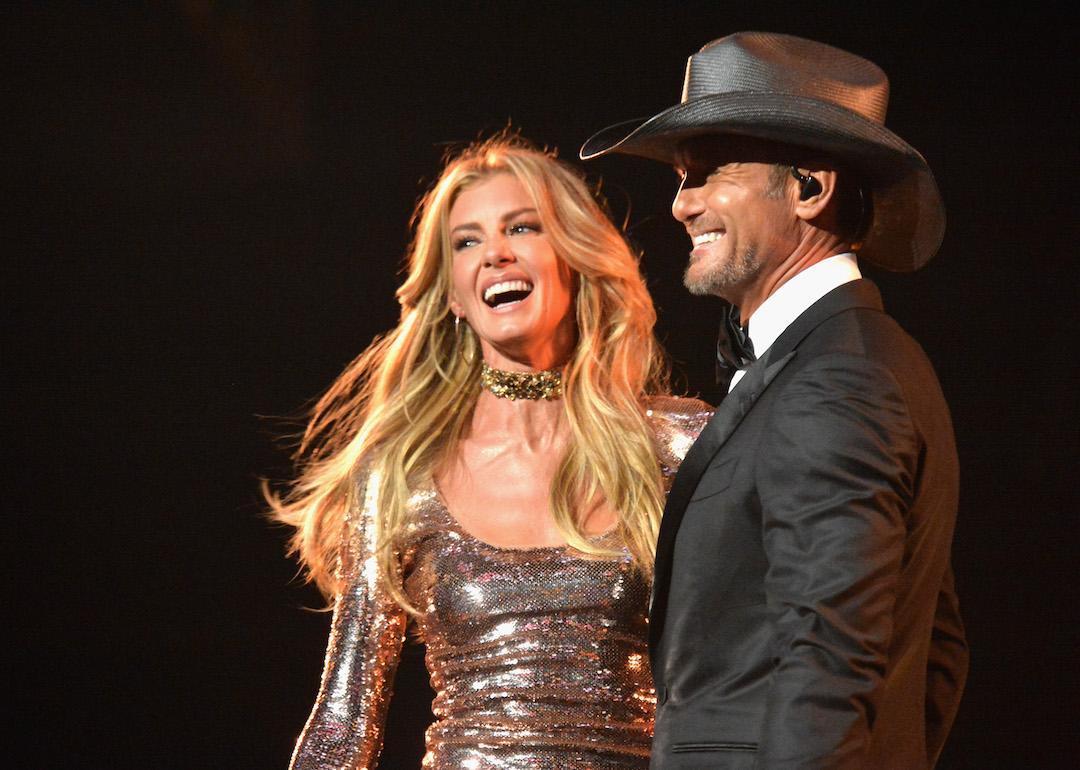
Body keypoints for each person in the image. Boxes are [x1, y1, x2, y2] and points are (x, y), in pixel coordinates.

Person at [580, 32, 968, 769]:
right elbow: (937, 655)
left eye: (708, 172)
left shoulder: (838, 380)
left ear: (811, 187)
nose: (681, 204)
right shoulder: (854, 362)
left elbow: (827, 666)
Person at [266, 135, 711, 769]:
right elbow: (344, 720)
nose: (495, 253)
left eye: (522, 228)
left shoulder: (675, 445)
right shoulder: (401, 478)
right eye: (467, 242)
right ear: (451, 293)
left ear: (574, 258)